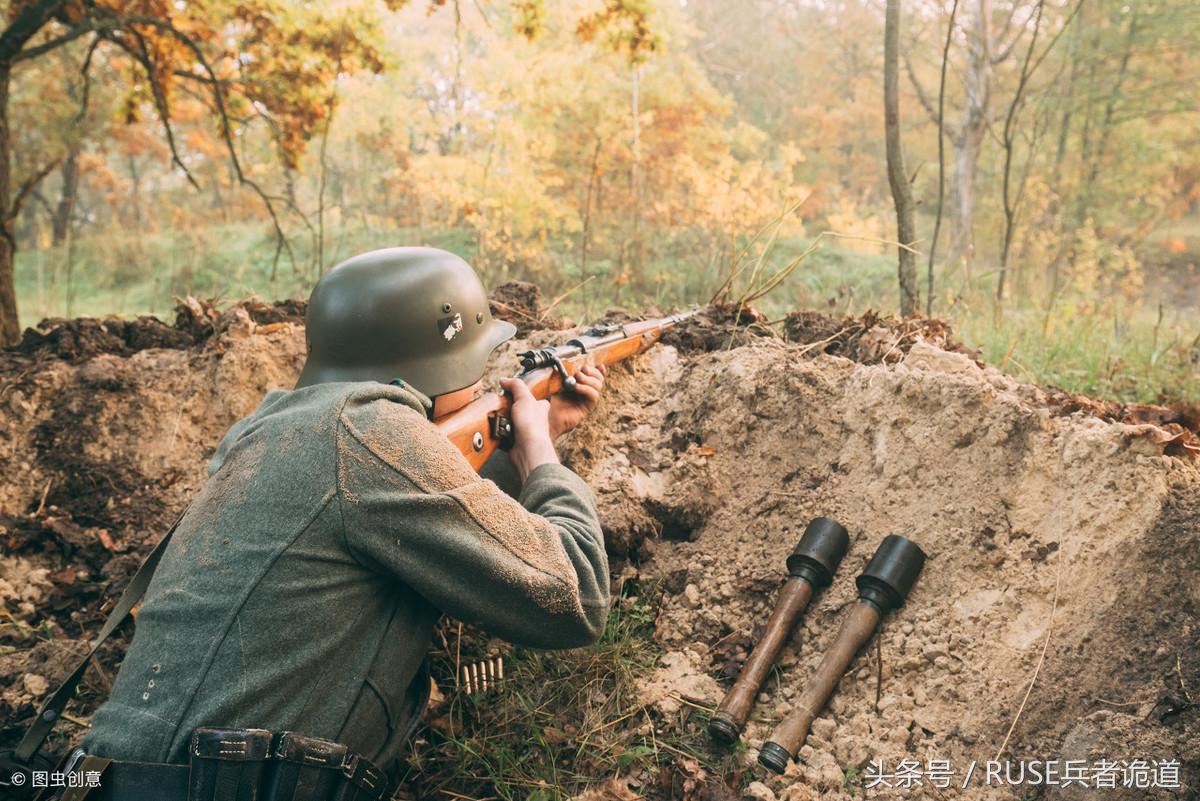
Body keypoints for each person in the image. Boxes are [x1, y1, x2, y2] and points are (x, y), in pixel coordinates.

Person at [79, 247, 610, 799]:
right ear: (440, 361)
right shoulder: (374, 435)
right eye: (477, 360)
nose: (481, 380)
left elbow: (428, 510)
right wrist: (542, 455)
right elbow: (577, 596)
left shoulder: (272, 431)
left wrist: (521, 437)